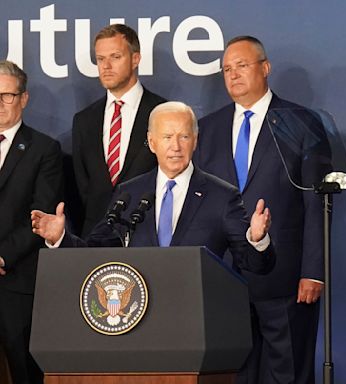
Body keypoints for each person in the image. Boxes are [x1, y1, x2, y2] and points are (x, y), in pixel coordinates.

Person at [194, 36, 326, 384]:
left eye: (242, 65)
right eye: (226, 69)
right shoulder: (207, 129)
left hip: (285, 276)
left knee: (288, 373)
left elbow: (317, 202)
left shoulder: (300, 122)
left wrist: (313, 270)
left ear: (265, 68)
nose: (233, 74)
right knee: (237, 374)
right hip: (224, 278)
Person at [32, 101, 274, 275]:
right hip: (140, 321)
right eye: (168, 137)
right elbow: (96, 253)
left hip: (199, 320)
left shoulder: (221, 196)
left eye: (184, 137)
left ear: (196, 141)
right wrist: (61, 238)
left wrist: (257, 239)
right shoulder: (129, 193)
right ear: (151, 142)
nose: (176, 147)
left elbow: (255, 265)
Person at [0, 60, 63, 384]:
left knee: (25, 372)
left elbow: (41, 215)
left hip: (17, 283)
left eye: (7, 95)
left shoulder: (44, 150)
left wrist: (2, 255)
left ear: (23, 99)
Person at [73, 23, 166, 236]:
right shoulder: (84, 120)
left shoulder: (161, 113)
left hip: (148, 236)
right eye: (100, 59)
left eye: (115, 57)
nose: (106, 66)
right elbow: (82, 188)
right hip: (95, 239)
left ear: (135, 59)